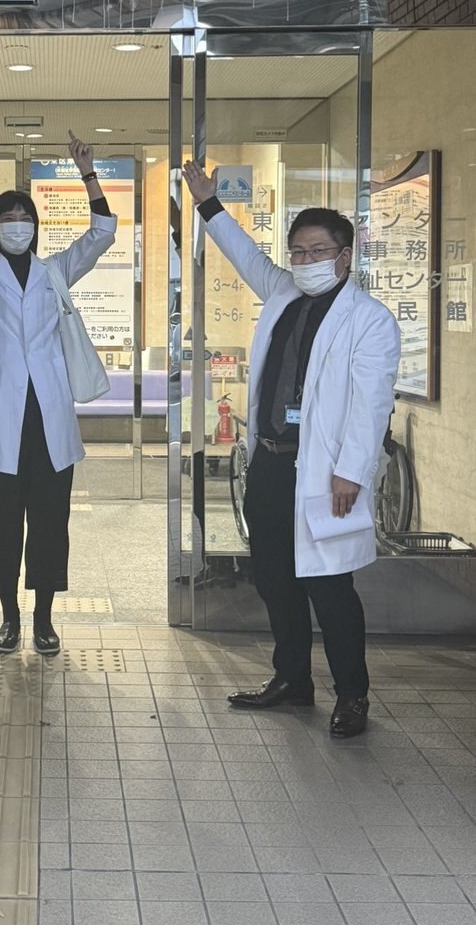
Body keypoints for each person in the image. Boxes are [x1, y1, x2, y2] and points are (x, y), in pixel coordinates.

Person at [182, 160, 400, 738]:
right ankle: (292, 680)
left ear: (345, 255)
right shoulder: (283, 292)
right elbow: (245, 255)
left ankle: (352, 694)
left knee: (330, 588)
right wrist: (208, 204)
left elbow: (371, 405)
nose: (305, 260)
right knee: (275, 578)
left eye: (318, 250)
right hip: (273, 464)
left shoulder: (370, 320)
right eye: (298, 251)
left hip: (327, 474)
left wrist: (351, 472)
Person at [0, 132, 117, 656]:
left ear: (35, 227)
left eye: (25, 218)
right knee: (2, 524)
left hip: (47, 424)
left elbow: (102, 233)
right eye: (8, 218)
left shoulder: (55, 271)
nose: (18, 225)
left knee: (51, 524)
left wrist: (88, 173)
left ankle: (44, 618)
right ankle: (9, 615)